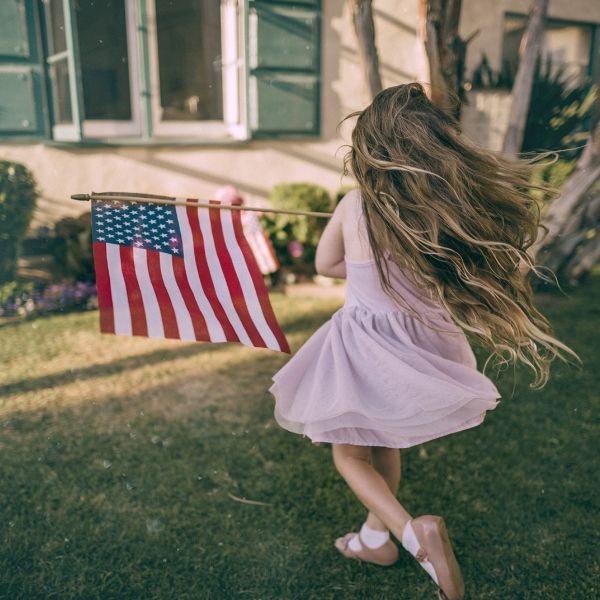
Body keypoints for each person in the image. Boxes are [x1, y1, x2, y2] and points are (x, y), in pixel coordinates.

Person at [267, 83, 579, 600]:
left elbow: (324, 266)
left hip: (367, 343)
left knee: (350, 457)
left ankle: (413, 536)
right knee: (384, 441)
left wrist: (357, 258)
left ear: (372, 148)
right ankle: (375, 539)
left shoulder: (354, 205)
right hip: (422, 345)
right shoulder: (438, 210)